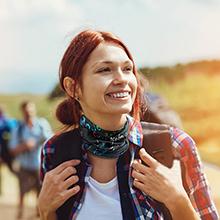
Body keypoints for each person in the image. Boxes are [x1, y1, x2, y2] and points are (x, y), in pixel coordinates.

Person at [38, 30, 218, 220]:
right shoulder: (54, 151)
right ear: (73, 87)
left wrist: (177, 200)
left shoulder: (176, 145)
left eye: (127, 69)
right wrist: (45, 211)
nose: (122, 79)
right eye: (104, 70)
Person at [9, 101, 53, 219]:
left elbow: (51, 141)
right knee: (22, 192)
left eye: (31, 110)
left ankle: (39, 215)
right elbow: (12, 149)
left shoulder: (42, 124)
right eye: (27, 111)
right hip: (24, 166)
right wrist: (25, 146)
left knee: (41, 193)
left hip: (40, 165)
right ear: (23, 112)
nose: (29, 113)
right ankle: (20, 214)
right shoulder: (18, 128)